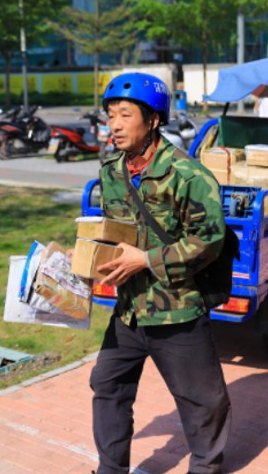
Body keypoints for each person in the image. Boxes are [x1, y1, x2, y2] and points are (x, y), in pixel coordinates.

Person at [90, 72, 232, 474]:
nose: (114, 125)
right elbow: (112, 231)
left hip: (177, 312)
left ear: (153, 120)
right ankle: (111, 469)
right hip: (129, 311)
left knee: (201, 401)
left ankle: (206, 468)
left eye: (125, 115)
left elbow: (209, 240)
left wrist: (148, 261)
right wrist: (83, 259)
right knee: (107, 384)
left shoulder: (189, 176)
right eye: (110, 115)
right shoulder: (112, 171)